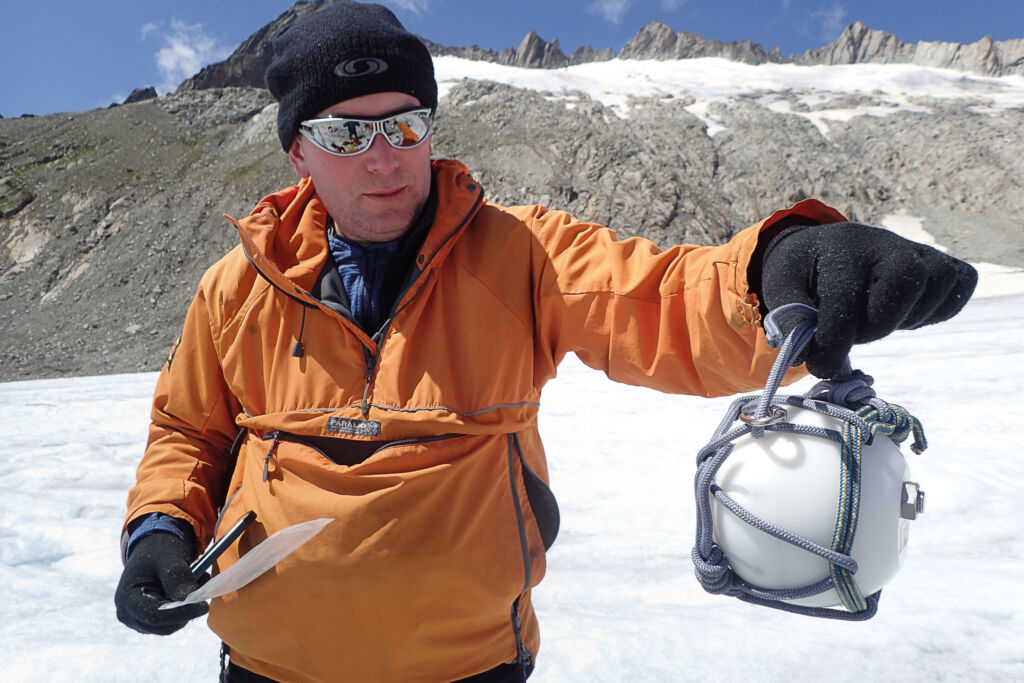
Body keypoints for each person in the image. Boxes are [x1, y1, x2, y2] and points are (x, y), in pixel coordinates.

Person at [114, 2, 978, 682]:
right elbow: (188, 431)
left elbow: (656, 298)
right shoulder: (237, 287)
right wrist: (160, 528)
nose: (384, 159)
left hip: (469, 667)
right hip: (271, 668)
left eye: (405, 124)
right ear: (300, 153)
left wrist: (776, 268)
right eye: (348, 133)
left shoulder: (518, 255)